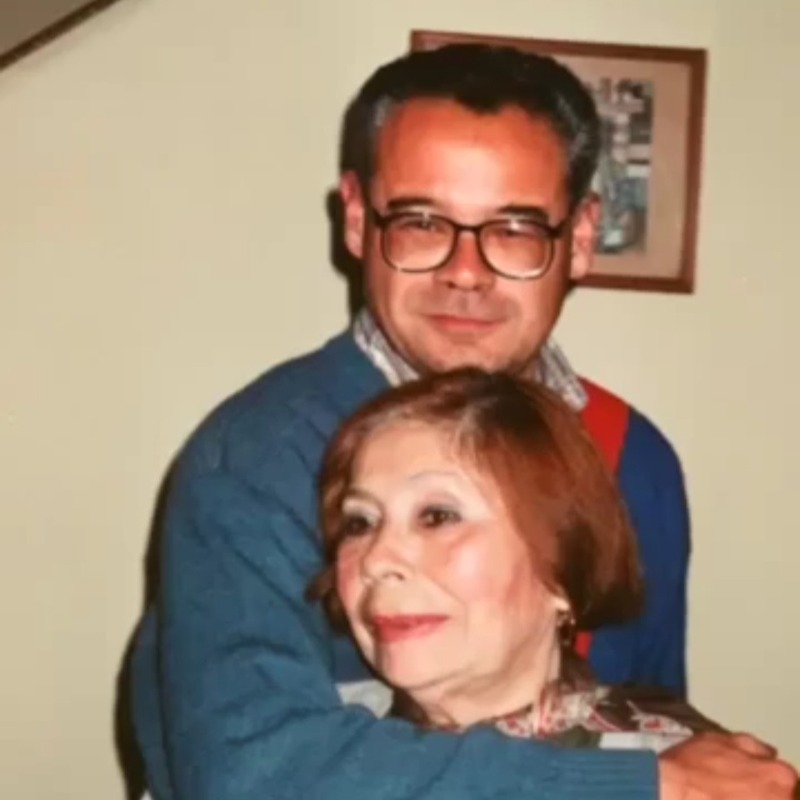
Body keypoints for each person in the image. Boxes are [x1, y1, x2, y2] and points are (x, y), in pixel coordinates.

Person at [130, 43, 797, 799]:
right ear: (358, 221)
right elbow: (250, 773)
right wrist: (627, 786)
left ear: (580, 238)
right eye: (421, 222)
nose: (466, 272)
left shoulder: (630, 458)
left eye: (514, 229)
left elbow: (651, 723)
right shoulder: (260, 456)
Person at [308, 368, 727, 750]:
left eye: (437, 516)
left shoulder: (693, 777)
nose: (377, 559)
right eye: (360, 523)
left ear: (561, 566)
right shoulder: (307, 751)